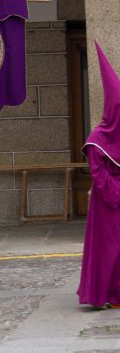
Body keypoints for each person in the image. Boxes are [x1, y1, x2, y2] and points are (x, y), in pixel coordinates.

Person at [78, 43, 120, 309]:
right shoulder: (97, 139)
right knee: (108, 249)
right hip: (108, 203)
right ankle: (102, 293)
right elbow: (98, 173)